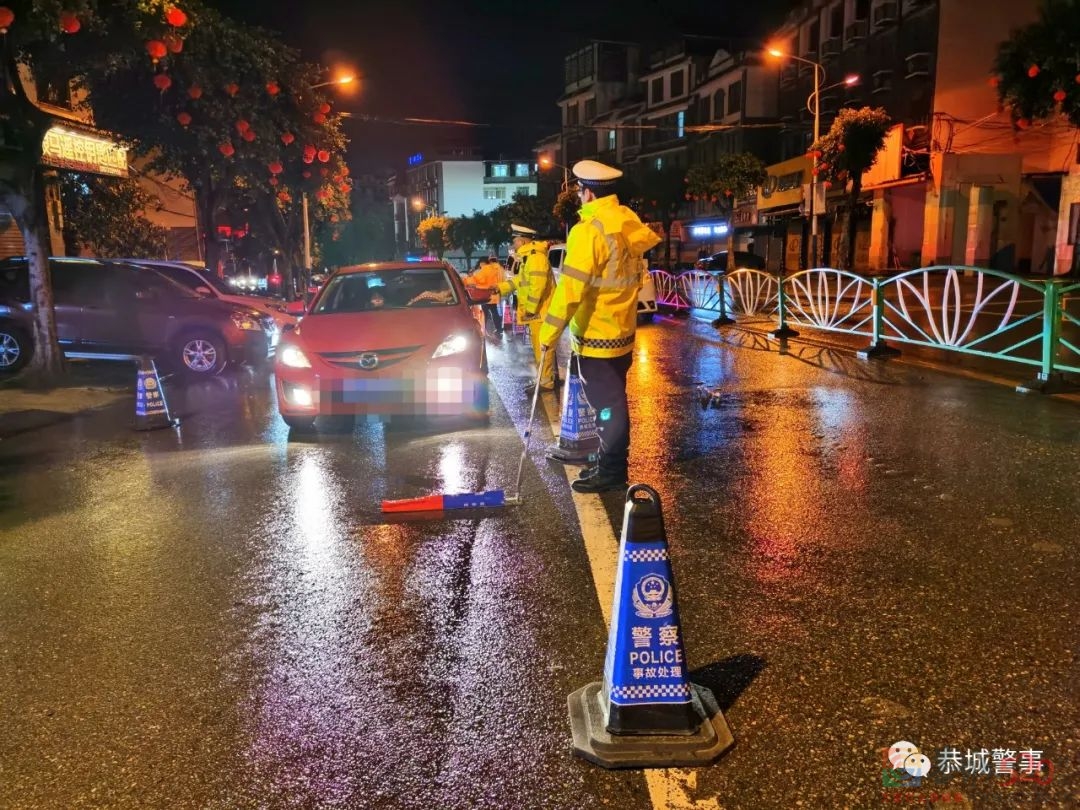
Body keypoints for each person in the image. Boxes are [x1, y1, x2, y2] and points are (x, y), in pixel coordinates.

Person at [538, 160, 661, 494]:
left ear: (587, 192)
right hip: (621, 333)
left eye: (579, 190)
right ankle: (607, 460)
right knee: (611, 402)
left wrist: (547, 334)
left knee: (608, 406)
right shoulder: (625, 224)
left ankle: (612, 470)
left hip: (596, 336)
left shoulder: (589, 230)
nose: (579, 196)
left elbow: (570, 289)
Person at [497, 224, 557, 393]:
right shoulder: (528, 258)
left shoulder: (535, 258)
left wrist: (530, 309)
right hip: (538, 313)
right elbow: (519, 281)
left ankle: (546, 382)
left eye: (515, 241)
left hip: (541, 312)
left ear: (522, 240)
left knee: (543, 348)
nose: (513, 244)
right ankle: (544, 379)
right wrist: (500, 288)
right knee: (540, 348)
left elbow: (537, 287)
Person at [464, 255, 505, 335]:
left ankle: (483, 330)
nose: (480, 265)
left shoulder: (486, 269)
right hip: (495, 294)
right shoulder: (500, 269)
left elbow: (476, 279)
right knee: (494, 312)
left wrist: (464, 281)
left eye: (480, 263)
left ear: (483, 262)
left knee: (484, 313)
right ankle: (499, 329)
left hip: (485, 294)